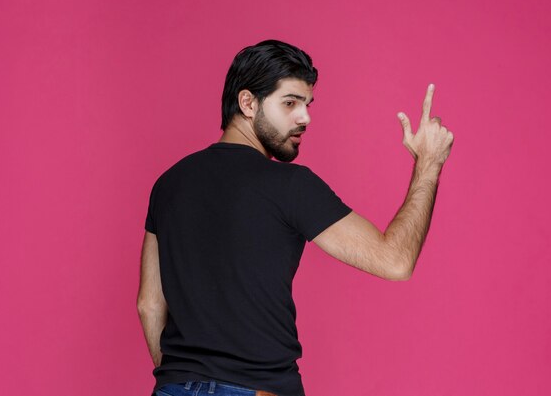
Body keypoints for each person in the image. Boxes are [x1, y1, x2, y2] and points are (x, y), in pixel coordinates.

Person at [137, 40, 454, 396]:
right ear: (247, 103)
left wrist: (182, 380)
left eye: (307, 104)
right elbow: (395, 261)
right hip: (260, 387)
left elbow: (149, 305)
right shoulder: (290, 185)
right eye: (290, 103)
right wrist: (429, 163)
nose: (305, 117)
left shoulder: (168, 183)